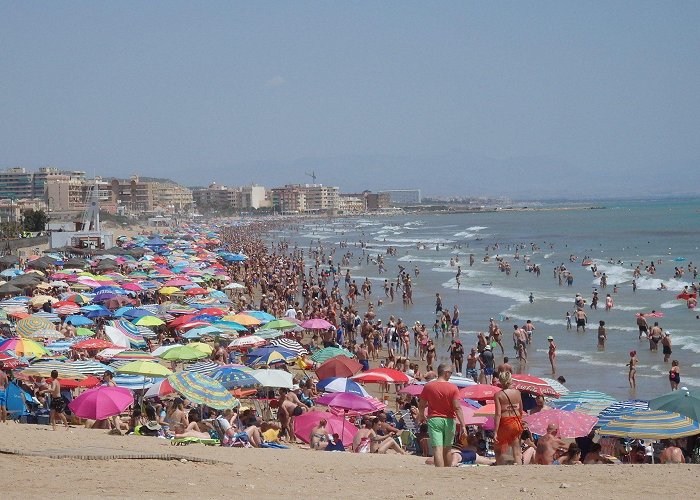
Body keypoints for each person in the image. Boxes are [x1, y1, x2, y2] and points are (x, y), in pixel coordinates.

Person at [417, 363, 466, 467]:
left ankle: (440, 472)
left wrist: (421, 416)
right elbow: (457, 407)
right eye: (450, 373)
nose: (450, 375)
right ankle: (447, 470)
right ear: (446, 373)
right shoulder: (453, 388)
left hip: (434, 419)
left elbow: (421, 405)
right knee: (447, 449)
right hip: (449, 420)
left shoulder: (429, 386)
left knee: (437, 449)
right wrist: (463, 425)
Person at [493, 371, 523, 465]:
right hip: (516, 422)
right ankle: (519, 469)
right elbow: (521, 410)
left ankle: (501, 467)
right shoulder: (518, 392)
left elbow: (498, 414)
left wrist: (495, 431)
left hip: (505, 423)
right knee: (516, 451)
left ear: (500, 381)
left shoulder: (498, 395)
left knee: (498, 450)